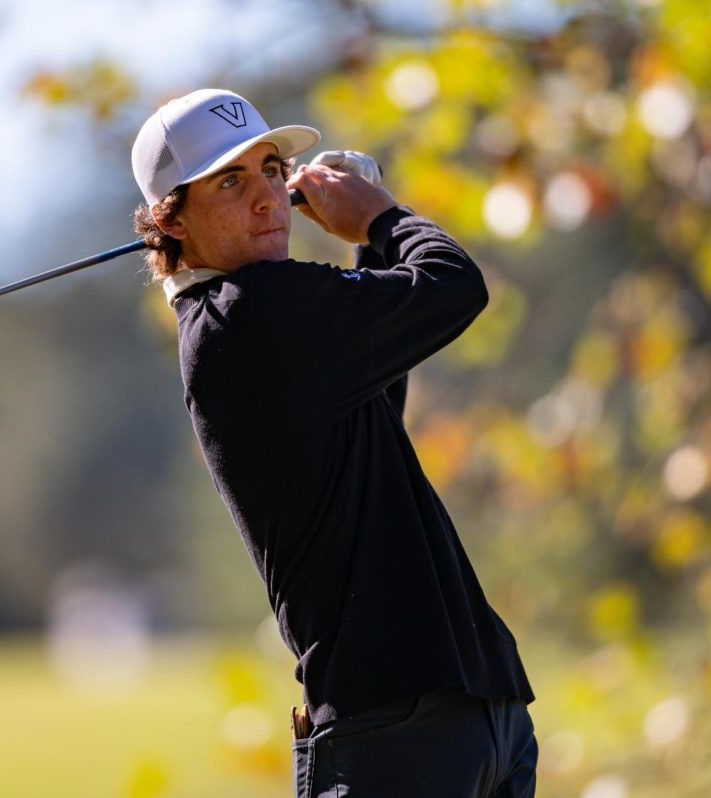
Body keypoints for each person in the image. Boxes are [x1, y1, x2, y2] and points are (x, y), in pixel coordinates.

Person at [130, 88, 537, 798]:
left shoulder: (266, 318)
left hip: (463, 718)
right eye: (230, 181)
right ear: (173, 223)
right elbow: (452, 286)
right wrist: (380, 218)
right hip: (398, 733)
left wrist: (363, 243)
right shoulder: (246, 315)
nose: (267, 198)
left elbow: (383, 392)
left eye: (270, 171)